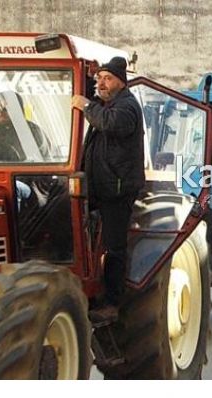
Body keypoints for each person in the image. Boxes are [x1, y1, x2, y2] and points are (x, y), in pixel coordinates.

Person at [72, 56, 145, 322]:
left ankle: (113, 302)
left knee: (115, 247)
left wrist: (85, 105)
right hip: (99, 186)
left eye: (108, 78)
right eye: (99, 78)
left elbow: (111, 123)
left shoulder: (126, 107)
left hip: (117, 189)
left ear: (120, 83)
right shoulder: (106, 105)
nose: (101, 83)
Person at [0, 91, 53, 162]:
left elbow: (17, 158)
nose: (0, 114)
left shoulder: (32, 131)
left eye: (5, 109)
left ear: (18, 110)